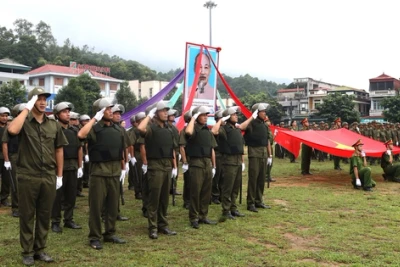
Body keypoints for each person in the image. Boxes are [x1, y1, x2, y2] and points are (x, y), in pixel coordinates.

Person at [7, 87, 68, 265]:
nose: (42, 102)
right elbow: (12, 130)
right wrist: (26, 108)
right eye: (38, 99)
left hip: (48, 175)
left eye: (44, 98)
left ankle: (39, 249)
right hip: (28, 175)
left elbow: (59, 150)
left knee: (44, 214)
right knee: (27, 215)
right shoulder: (24, 121)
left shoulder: (53, 124)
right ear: (32, 101)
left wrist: (59, 175)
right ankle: (27, 251)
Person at [77, 98, 127, 250]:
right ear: (99, 111)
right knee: (96, 207)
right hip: (99, 173)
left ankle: (110, 233)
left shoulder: (119, 129)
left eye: (111, 109)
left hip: (114, 172)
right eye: (107, 109)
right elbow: (80, 135)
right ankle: (94, 236)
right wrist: (94, 119)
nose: (111, 111)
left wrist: (124, 168)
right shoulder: (93, 128)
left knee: (112, 206)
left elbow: (123, 149)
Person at [138, 101, 177, 239]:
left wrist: (174, 166)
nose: (166, 113)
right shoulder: (150, 128)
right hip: (155, 165)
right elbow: (140, 129)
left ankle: (163, 225)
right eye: (163, 110)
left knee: (164, 198)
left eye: (167, 110)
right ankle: (152, 227)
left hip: (167, 165)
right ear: (155, 113)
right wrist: (148, 116)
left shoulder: (168, 129)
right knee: (154, 197)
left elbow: (172, 149)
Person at [212, 106, 253, 221]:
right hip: (228, 161)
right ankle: (226, 210)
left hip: (237, 160)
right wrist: (221, 120)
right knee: (227, 187)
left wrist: (242, 161)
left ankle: (233, 208)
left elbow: (240, 145)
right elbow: (213, 131)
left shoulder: (236, 129)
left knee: (236, 187)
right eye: (234, 114)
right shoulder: (224, 129)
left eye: (236, 114)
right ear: (228, 116)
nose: (236, 116)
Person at [51, 102, 83, 233]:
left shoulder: (75, 130)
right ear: (57, 115)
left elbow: (80, 148)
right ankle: (55, 221)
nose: (68, 114)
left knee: (71, 195)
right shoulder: (53, 129)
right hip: (57, 167)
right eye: (64, 112)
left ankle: (69, 219)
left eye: (68, 111)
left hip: (72, 165)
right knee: (56, 196)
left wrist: (80, 166)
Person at [185, 106, 218, 229]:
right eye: (202, 115)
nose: (205, 117)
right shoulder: (192, 128)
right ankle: (193, 217)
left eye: (206, 115)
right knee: (195, 192)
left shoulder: (207, 131)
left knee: (206, 191)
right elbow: (188, 132)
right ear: (196, 116)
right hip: (196, 163)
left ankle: (203, 216)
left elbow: (212, 149)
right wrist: (193, 117)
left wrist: (213, 165)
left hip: (207, 163)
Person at [244, 103, 272, 212]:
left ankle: (259, 200)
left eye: (265, 111)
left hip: (263, 152)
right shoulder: (251, 123)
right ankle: (250, 203)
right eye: (262, 111)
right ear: (257, 112)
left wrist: (269, 155)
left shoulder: (264, 125)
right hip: (254, 151)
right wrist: (252, 117)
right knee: (253, 178)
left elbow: (267, 140)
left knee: (261, 178)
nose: (265, 113)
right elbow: (243, 127)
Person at [2, 103, 26, 217]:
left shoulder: (30, 126)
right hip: (14, 156)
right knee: (15, 183)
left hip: (27, 156)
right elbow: (5, 144)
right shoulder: (11, 126)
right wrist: (7, 159)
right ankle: (16, 207)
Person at [167, 108, 182, 196]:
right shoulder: (166, 127)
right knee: (169, 171)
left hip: (175, 151)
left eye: (173, 115)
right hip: (169, 152)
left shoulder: (174, 127)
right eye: (171, 115)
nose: (173, 117)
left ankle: (173, 188)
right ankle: (168, 187)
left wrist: (179, 151)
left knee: (175, 171)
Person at [0, 106, 11, 207]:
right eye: (2, 116)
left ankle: (4, 198)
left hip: (6, 157)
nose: (4, 118)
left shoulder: (9, 128)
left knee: (6, 179)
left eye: (6, 116)